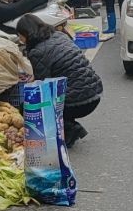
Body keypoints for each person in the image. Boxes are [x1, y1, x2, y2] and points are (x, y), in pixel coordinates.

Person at [16, 14, 103, 146]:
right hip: (94, 93)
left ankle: (70, 128)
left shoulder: (37, 51)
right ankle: (68, 125)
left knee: (30, 106)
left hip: (80, 102)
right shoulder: (58, 35)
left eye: (20, 35)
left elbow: (43, 87)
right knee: (60, 92)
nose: (20, 39)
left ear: (26, 34)